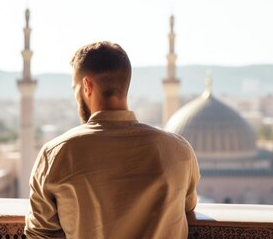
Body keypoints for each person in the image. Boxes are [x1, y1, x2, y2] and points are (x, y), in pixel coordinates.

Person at [25, 41, 200, 238]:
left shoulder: (57, 154)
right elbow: (187, 205)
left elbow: (40, 233)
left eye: (75, 88)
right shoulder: (178, 151)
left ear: (87, 86)